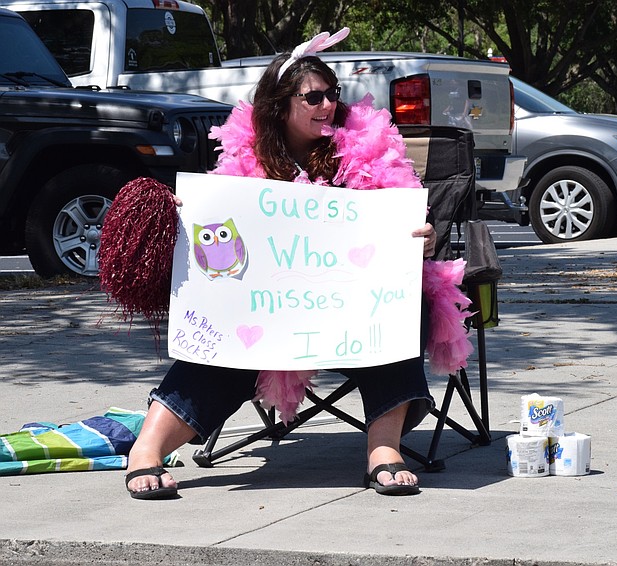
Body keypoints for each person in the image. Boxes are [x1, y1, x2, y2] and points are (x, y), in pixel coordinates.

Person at [123, 28, 472, 500]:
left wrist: (419, 243)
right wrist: (192, 221)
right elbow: (221, 236)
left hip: (353, 310)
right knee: (224, 336)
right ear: (280, 106)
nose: (328, 105)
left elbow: (399, 232)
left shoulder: (367, 153)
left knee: (403, 310)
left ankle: (383, 449)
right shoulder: (246, 164)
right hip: (270, 311)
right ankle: (145, 450)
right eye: (313, 97)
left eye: (333, 93)